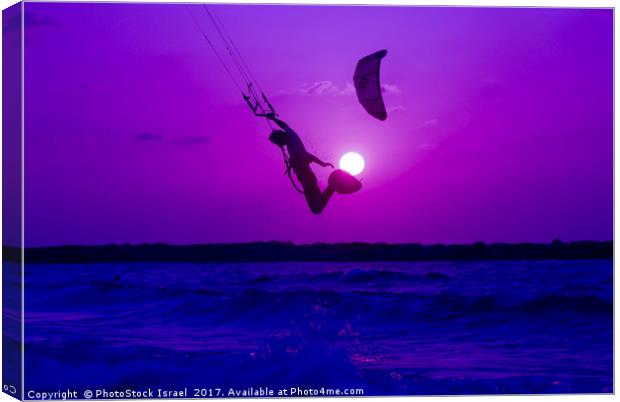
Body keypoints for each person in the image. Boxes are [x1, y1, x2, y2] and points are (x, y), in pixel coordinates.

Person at [265, 113, 337, 214]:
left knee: (316, 208)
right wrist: (322, 164)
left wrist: (273, 118)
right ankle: (333, 185)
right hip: (306, 179)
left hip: (307, 178)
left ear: (280, 139)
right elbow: (285, 126)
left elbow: (304, 157)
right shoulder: (291, 142)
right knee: (317, 207)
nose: (279, 146)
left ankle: (334, 184)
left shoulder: (293, 142)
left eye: (278, 143)